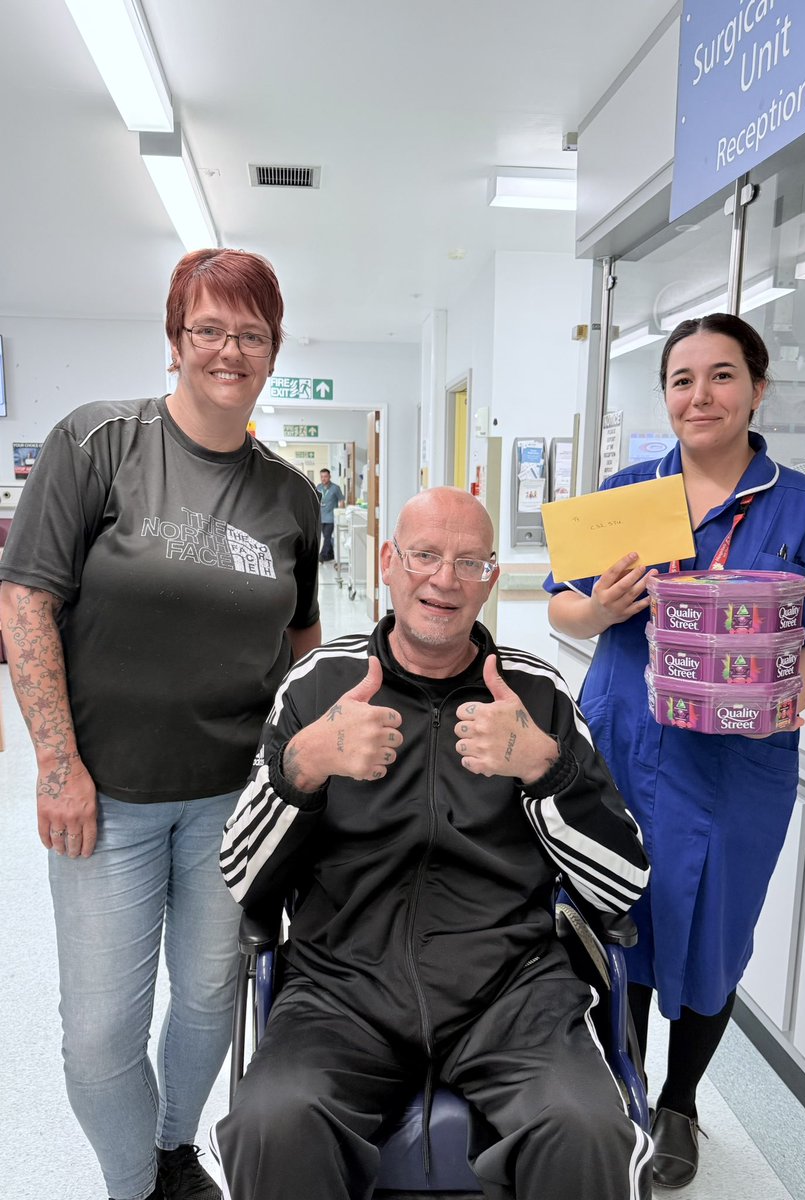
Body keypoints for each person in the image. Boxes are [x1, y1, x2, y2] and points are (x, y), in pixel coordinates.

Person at [214, 486, 653, 1200]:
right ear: (388, 562)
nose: (444, 580)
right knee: (274, 1122)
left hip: (511, 987)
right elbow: (240, 875)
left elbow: (623, 884)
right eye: (424, 555)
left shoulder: (536, 693)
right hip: (342, 984)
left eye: (468, 563)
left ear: (490, 579)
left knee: (585, 1127)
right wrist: (304, 768)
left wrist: (545, 770)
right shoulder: (318, 685)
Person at [0, 248, 322, 1200]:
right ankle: (134, 1184)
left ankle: (177, 1153)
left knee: (211, 997)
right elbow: (25, 602)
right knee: (100, 1032)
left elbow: (300, 641)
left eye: (251, 334)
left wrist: (294, 764)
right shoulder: (98, 442)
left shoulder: (291, 495)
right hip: (106, 798)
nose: (229, 350)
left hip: (232, 799)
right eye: (208, 329)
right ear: (175, 340)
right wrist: (58, 766)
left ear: (273, 351)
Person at [546, 314, 805, 1189]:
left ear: (756, 388)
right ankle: (622, 1091)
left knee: (713, 936)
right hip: (625, 743)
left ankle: (679, 1103)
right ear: (665, 396)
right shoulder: (627, 494)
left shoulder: (798, 506)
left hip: (738, 768)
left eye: (721, 375)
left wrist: (772, 709)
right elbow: (561, 605)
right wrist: (601, 608)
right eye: (681, 379)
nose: (700, 396)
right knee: (616, 921)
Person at [316, 466, 344, 561]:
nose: (323, 479)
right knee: (325, 536)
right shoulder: (318, 487)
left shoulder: (335, 488)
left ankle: (322, 555)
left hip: (331, 517)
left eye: (325, 476)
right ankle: (330, 554)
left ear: (329, 477)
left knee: (327, 536)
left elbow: (341, 500)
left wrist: (340, 514)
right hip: (321, 517)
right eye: (322, 477)